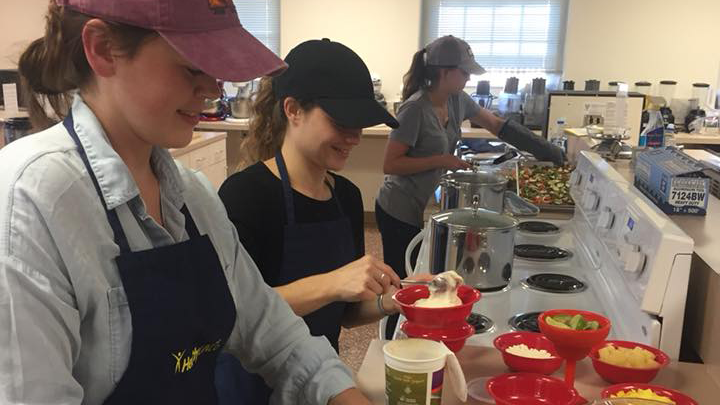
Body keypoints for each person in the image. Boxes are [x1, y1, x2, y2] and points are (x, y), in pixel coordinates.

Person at [0, 1, 371, 404]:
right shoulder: (33, 200)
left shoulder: (194, 199)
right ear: (103, 49)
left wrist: (343, 395)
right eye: (193, 67)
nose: (213, 90)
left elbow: (275, 332)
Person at [216, 38, 407, 404]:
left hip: (323, 384)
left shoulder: (346, 198)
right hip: (253, 389)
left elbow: (343, 313)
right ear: (293, 110)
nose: (354, 137)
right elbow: (232, 315)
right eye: (341, 122)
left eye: (361, 124)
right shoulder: (246, 196)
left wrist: (397, 301)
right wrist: (333, 282)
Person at [375, 35, 564, 338]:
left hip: (419, 201)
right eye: (464, 73)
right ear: (444, 72)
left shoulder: (456, 100)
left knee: (417, 274)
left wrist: (545, 149)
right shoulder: (414, 109)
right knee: (403, 283)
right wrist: (442, 158)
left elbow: (495, 124)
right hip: (397, 205)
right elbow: (391, 165)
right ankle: (392, 343)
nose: (468, 78)